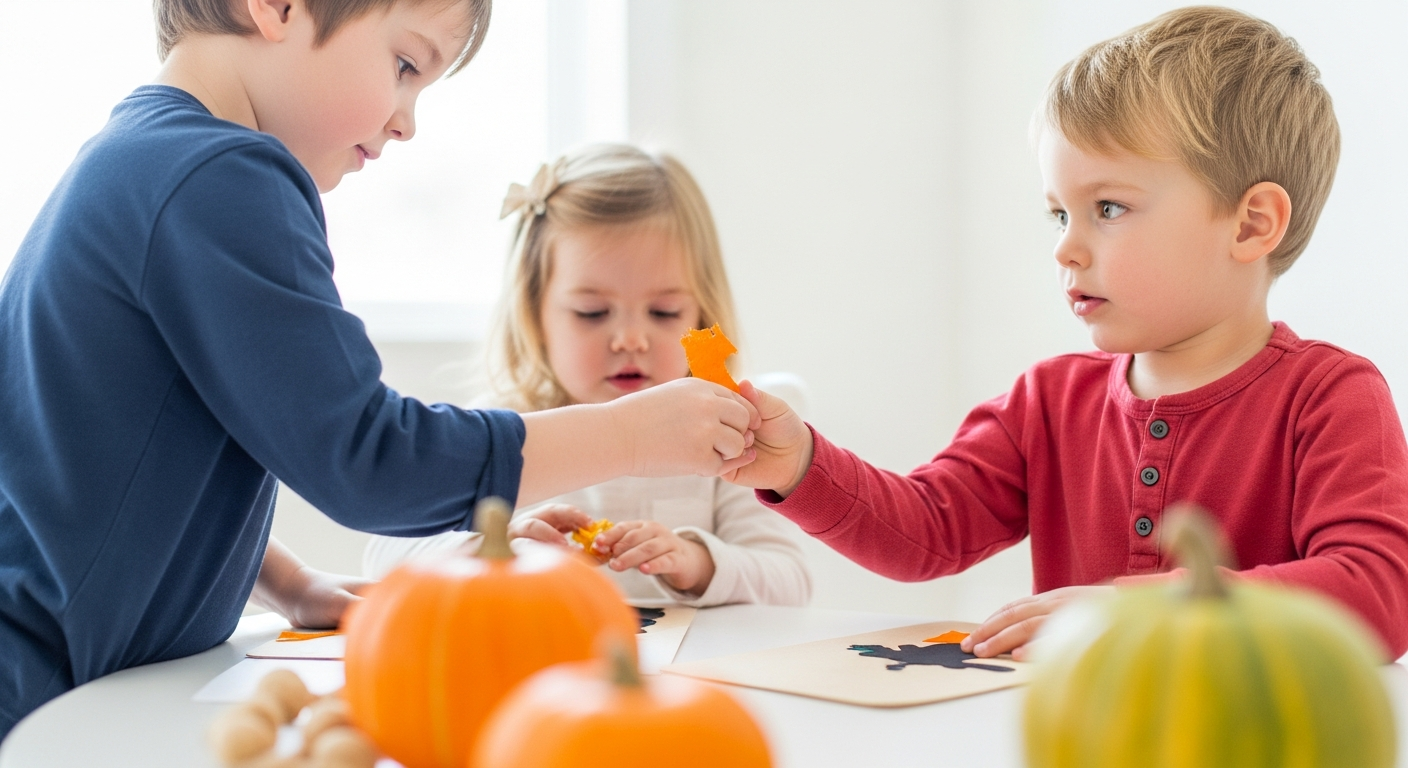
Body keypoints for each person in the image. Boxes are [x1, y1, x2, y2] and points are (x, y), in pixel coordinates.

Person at [0, 0, 758, 737]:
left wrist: (285, 581)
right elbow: (371, 460)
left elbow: (124, 457)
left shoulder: (141, 160)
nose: (407, 121)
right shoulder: (221, 175)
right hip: (42, 692)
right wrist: (629, 434)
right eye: (404, 65)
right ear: (274, 5)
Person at [728, 6, 1408, 661]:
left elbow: (1377, 594)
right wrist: (800, 467)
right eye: (1059, 215)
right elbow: (926, 530)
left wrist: (1137, 609)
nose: (1066, 249)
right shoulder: (1047, 402)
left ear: (1252, 224)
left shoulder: (1330, 396)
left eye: (1107, 208)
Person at [365, 145, 812, 607]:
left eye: (664, 311)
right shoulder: (497, 427)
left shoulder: (731, 434)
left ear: (701, 313)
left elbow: (790, 584)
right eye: (592, 312)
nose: (631, 339)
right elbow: (386, 553)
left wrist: (696, 562)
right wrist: (492, 546)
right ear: (535, 316)